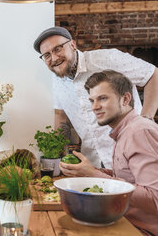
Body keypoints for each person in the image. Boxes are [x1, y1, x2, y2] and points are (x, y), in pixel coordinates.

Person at [33, 26, 158, 168]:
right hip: (93, 164)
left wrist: (145, 122)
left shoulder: (107, 59)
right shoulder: (56, 80)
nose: (54, 58)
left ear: (72, 45)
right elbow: (61, 116)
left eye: (58, 49)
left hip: (134, 154)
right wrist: (59, 154)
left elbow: (153, 74)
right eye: (47, 55)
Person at [59, 70, 158, 236]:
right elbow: (128, 179)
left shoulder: (139, 131)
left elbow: (154, 197)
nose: (94, 107)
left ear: (125, 99)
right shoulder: (124, 131)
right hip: (124, 223)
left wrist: (93, 175)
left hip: (141, 231)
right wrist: (93, 171)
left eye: (102, 98)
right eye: (92, 100)